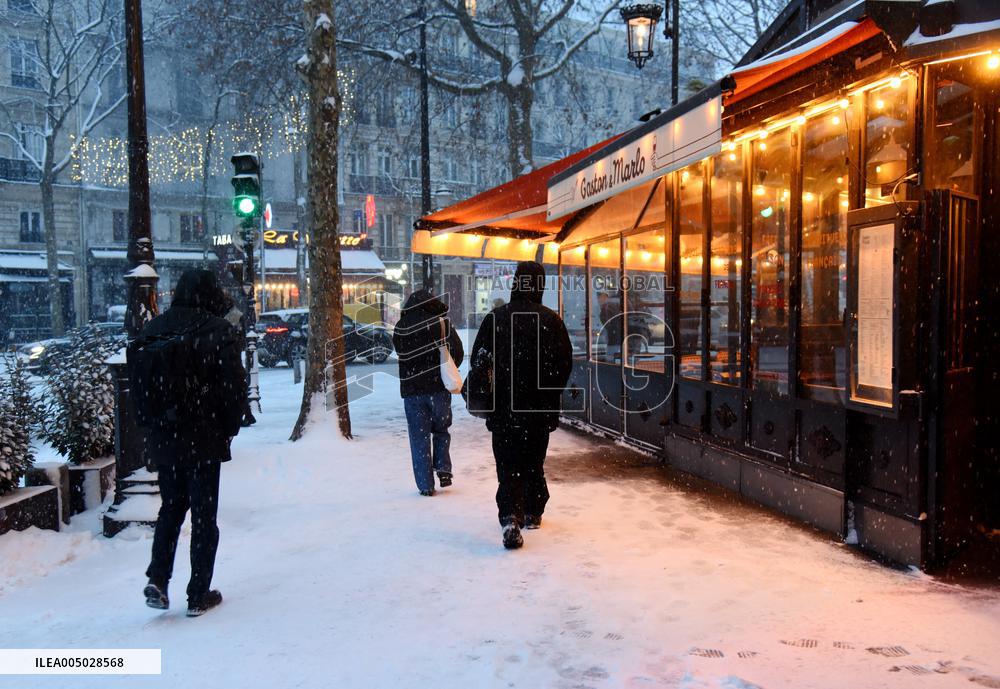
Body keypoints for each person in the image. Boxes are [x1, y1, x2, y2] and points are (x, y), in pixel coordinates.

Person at [129, 269, 247, 617]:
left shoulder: (152, 330)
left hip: (167, 438)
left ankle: (159, 578)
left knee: (171, 507)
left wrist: (151, 427)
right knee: (204, 514)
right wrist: (228, 427)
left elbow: (138, 387)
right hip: (205, 435)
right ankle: (198, 592)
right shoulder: (217, 330)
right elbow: (232, 386)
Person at [469, 261, 572, 549]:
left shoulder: (496, 318)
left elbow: (480, 361)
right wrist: (547, 393)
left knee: (508, 463)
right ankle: (534, 511)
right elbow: (564, 366)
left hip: (504, 410)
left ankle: (510, 516)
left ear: (515, 283)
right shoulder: (552, 322)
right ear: (540, 285)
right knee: (533, 462)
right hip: (538, 411)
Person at [391, 289, 464, 496]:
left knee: (418, 437)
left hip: (412, 392)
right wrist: (443, 368)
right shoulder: (441, 324)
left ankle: (425, 485)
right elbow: (456, 353)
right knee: (441, 429)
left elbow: (401, 353)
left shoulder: (400, 327)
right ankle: (443, 468)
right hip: (438, 389)